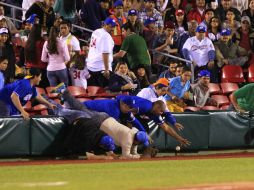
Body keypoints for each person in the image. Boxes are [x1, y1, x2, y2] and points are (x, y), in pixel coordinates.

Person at [49, 86, 150, 159]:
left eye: (132, 108)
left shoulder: (124, 110)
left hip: (100, 116)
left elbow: (135, 121)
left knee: (71, 111)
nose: (131, 110)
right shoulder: (114, 109)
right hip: (91, 111)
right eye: (129, 107)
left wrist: (144, 131)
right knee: (75, 109)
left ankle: (63, 96)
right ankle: (64, 91)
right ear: (123, 104)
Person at [86, 17, 116, 87]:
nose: (113, 29)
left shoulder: (96, 31)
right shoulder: (106, 36)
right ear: (105, 25)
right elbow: (105, 53)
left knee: (93, 91)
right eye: (111, 26)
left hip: (91, 66)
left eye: (114, 26)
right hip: (101, 69)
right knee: (103, 92)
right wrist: (106, 69)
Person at [25, 24, 49, 88]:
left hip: (29, 70)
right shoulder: (42, 43)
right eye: (42, 30)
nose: (43, 32)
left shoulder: (28, 42)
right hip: (41, 71)